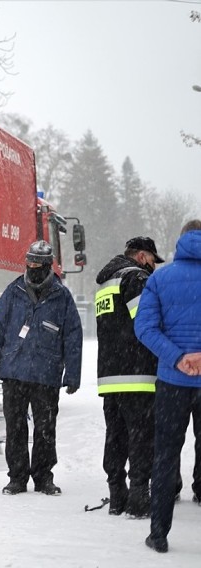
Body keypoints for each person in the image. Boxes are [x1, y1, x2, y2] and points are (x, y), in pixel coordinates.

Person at [0, 240, 83, 496]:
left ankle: (43, 478)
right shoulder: (13, 290)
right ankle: (17, 478)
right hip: (14, 372)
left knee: (45, 429)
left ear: (49, 265)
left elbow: (73, 337)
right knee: (15, 429)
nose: (32, 268)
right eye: (29, 263)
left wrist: (72, 374)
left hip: (46, 375)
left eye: (37, 264)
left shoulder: (62, 296)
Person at [134, 219, 201, 553]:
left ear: (181, 241)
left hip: (173, 381)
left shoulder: (160, 278)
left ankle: (158, 533)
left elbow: (144, 328)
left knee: (165, 456)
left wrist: (178, 358)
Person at [94, 236, 164, 517]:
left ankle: (117, 494)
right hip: (137, 373)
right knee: (140, 437)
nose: (153, 267)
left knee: (115, 437)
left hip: (110, 375)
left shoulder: (105, 283)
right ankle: (138, 498)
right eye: (152, 260)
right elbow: (144, 321)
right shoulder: (135, 279)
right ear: (142, 256)